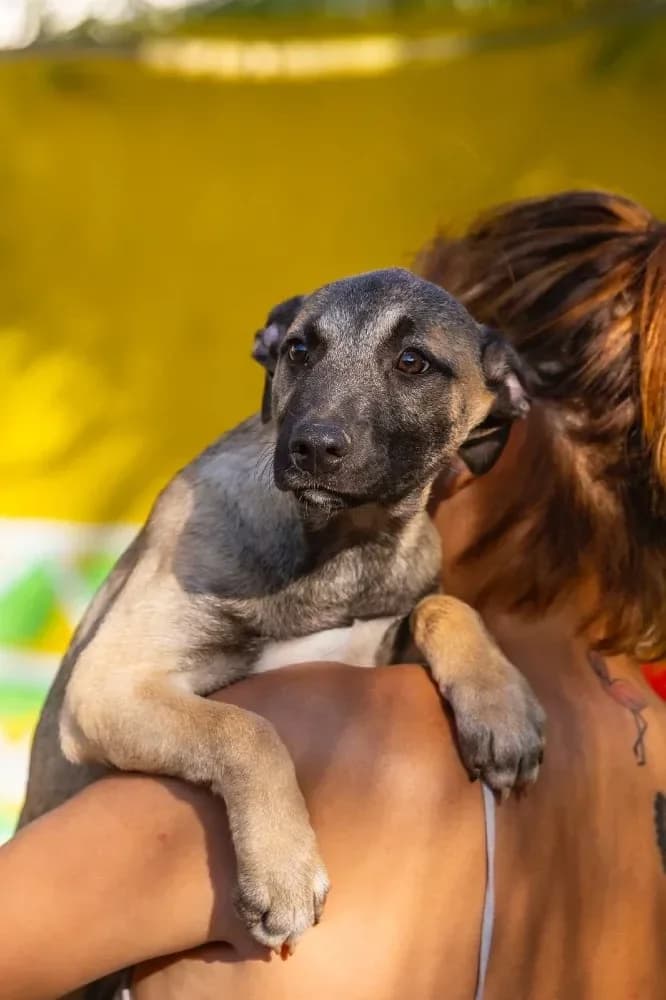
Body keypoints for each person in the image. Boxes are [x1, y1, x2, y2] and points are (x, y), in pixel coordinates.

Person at [2, 190, 665, 1000]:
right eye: (311, 357)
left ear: (500, 421)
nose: (329, 419)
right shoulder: (650, 758)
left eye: (412, 365)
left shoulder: (326, 732)